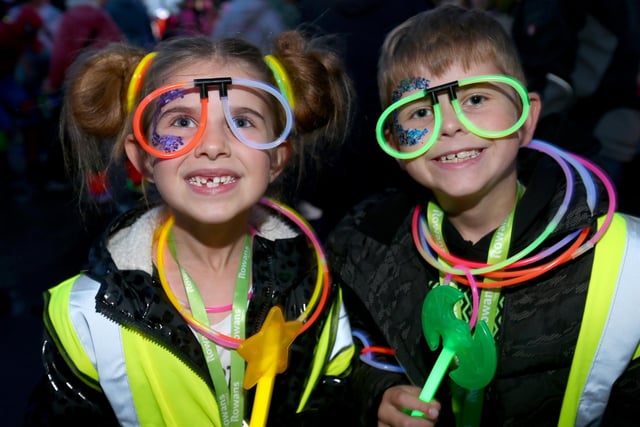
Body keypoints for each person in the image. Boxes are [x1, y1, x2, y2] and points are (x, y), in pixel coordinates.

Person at [325, 4, 640, 427]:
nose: (449, 125)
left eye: (475, 98)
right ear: (396, 143)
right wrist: (376, 394)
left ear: (526, 120)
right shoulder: (362, 247)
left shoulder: (624, 263)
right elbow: (345, 354)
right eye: (420, 111)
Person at [25, 31, 357, 426]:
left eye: (242, 120)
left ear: (277, 157)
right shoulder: (84, 314)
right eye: (182, 121)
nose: (212, 145)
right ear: (143, 157)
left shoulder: (315, 287)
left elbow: (338, 394)